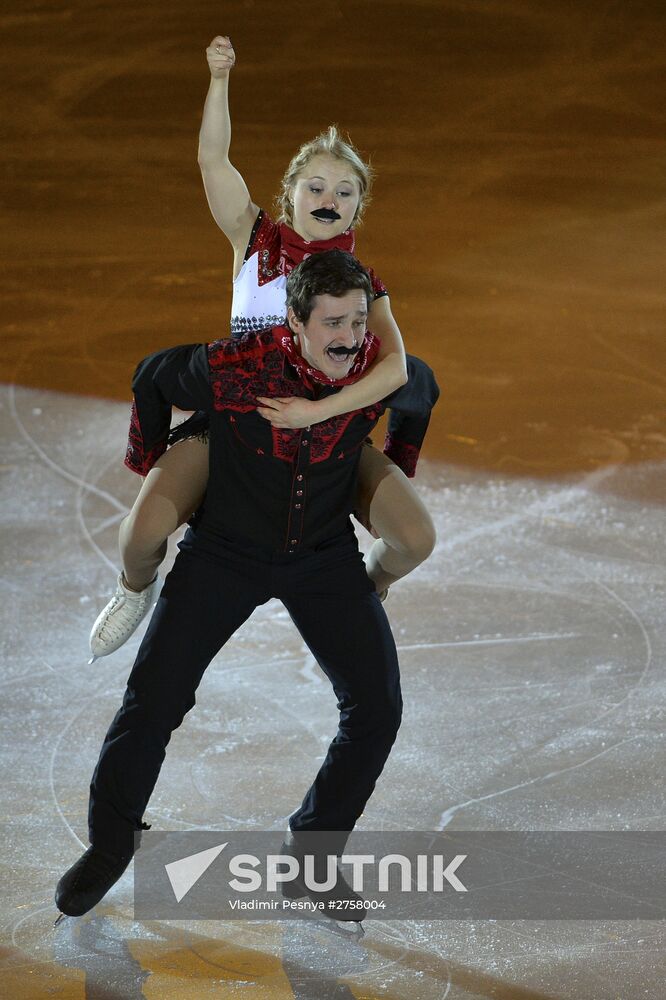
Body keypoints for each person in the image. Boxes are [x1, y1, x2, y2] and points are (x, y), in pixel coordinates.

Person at [56, 250, 438, 918]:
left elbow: (420, 390)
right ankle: (110, 845)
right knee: (154, 701)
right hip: (223, 552)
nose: (350, 337)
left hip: (322, 554)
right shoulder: (236, 366)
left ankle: (314, 856)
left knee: (376, 708)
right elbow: (153, 374)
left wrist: (389, 465)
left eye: (357, 320)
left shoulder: (374, 370)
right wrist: (159, 461)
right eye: (333, 323)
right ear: (294, 321)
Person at [88, 35, 438, 660]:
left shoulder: (363, 285)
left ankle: (367, 591)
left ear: (359, 206)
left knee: (413, 538)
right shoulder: (256, 241)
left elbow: (397, 370)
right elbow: (211, 159)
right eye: (315, 187)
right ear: (289, 195)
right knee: (140, 535)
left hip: (325, 439)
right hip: (235, 429)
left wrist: (316, 414)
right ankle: (134, 589)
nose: (328, 200)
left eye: (344, 191)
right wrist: (219, 79)